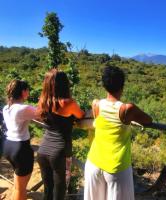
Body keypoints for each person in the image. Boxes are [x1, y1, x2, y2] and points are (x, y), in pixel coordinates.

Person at [84, 66, 152, 200]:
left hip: (94, 162)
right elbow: (148, 120)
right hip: (117, 166)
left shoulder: (96, 104)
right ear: (122, 86)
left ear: (104, 85)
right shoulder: (127, 109)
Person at [37, 69, 84, 200]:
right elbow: (81, 115)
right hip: (59, 152)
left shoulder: (43, 101)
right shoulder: (68, 103)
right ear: (64, 84)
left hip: (43, 150)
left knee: (48, 191)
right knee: (60, 191)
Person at [2, 80, 37, 200]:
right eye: (27, 90)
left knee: (18, 185)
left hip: (8, 146)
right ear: (23, 92)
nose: (29, 92)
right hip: (20, 148)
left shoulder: (7, 107)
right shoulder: (23, 108)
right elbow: (43, 114)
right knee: (21, 189)